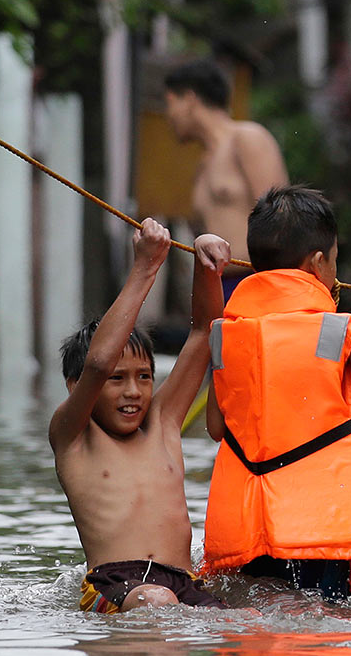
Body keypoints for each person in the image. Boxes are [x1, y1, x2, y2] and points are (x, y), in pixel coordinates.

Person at [200, 185, 351, 601]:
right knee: (321, 631)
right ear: (319, 263)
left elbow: (216, 428)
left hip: (250, 526)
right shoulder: (342, 329)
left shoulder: (223, 334)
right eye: (336, 261)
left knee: (258, 624)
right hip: (321, 525)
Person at [51, 218, 231, 614]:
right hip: (114, 583)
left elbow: (205, 332)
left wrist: (206, 265)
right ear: (73, 386)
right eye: (118, 380)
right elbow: (97, 363)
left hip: (184, 584)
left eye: (144, 377)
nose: (133, 392)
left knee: (248, 620)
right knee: (157, 601)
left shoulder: (163, 424)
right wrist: (145, 267)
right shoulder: (73, 436)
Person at [164, 58, 289, 297]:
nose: (168, 116)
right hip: (219, 288)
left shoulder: (247, 138)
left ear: (190, 99)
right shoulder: (202, 167)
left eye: (170, 102)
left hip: (256, 283)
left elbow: (281, 221)